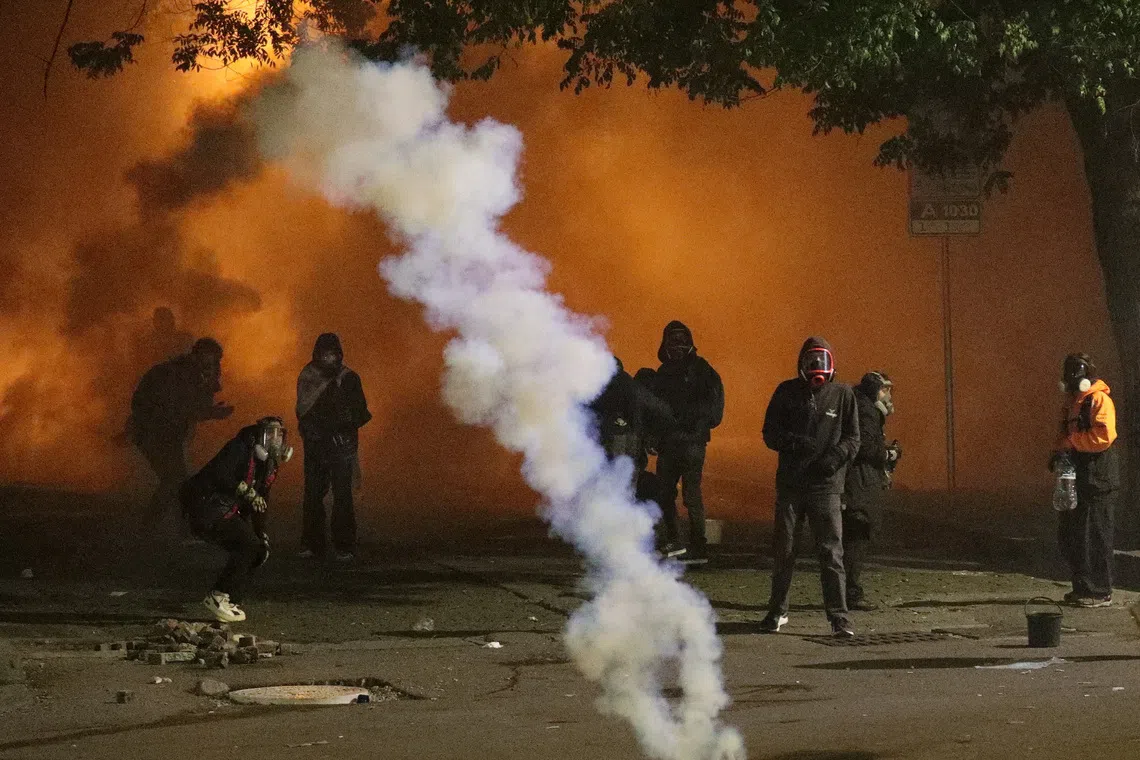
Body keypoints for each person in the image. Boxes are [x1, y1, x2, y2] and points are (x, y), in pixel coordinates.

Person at [760, 337, 860, 637]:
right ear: (801, 364)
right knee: (785, 550)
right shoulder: (786, 392)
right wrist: (792, 442)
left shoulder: (843, 395)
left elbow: (853, 438)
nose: (817, 369)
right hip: (791, 485)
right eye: (812, 362)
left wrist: (835, 457)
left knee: (831, 553)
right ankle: (777, 611)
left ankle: (840, 619)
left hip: (826, 487)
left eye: (822, 362)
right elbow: (769, 432)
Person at [180, 417, 293, 623]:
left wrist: (261, 532)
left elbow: (262, 500)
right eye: (271, 434)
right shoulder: (239, 448)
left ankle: (231, 599)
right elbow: (219, 475)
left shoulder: (268, 464)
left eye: (280, 435)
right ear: (260, 435)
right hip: (208, 510)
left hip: (227, 511)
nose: (276, 440)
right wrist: (248, 493)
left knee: (258, 549)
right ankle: (218, 596)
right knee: (247, 546)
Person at [129, 338, 233, 523]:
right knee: (174, 479)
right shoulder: (179, 374)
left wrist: (210, 407)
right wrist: (212, 412)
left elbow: (194, 407)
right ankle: (153, 525)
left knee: (175, 480)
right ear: (198, 355)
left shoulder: (195, 373)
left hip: (165, 432)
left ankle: (166, 526)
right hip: (156, 431)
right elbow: (182, 408)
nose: (215, 365)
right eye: (211, 359)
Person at [650, 321, 725, 565]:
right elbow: (655, 410)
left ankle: (697, 546)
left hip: (691, 444)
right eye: (674, 341)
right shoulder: (664, 374)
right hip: (671, 444)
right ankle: (677, 542)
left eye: (682, 340)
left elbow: (715, 411)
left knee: (690, 495)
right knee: (666, 494)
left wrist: (693, 420)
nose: (678, 346)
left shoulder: (702, 371)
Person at [296, 333, 372, 562]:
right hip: (316, 445)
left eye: (333, 354)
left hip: (341, 445)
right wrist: (311, 433)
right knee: (312, 495)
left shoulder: (349, 379)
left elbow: (361, 413)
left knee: (342, 496)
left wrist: (343, 427)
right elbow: (302, 410)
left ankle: (344, 546)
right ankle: (312, 544)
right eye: (325, 354)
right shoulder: (308, 376)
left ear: (340, 355)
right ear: (317, 355)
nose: (329, 359)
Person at [1051, 353, 1119, 607]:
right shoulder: (1073, 404)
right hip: (1078, 478)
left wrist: (1071, 443)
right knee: (1074, 535)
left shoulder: (1099, 400)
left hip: (1098, 479)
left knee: (1096, 536)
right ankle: (1082, 587)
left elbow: (1103, 436)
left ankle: (1099, 590)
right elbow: (1063, 434)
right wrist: (1057, 455)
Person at [842, 371, 902, 612]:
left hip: (858, 481)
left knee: (852, 536)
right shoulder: (867, 411)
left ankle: (844, 591)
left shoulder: (859, 406)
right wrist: (888, 454)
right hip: (860, 482)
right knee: (859, 533)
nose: (888, 395)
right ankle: (851, 593)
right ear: (873, 390)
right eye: (884, 389)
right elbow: (865, 447)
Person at [588, 357, 675, 493]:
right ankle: (626, 511)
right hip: (635, 441)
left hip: (612, 439)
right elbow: (663, 412)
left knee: (608, 479)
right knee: (628, 482)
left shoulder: (601, 386)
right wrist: (653, 438)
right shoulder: (633, 386)